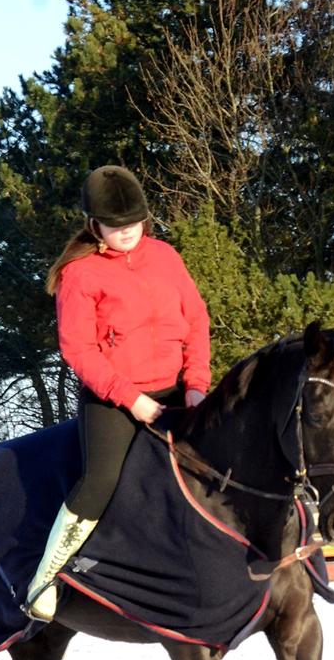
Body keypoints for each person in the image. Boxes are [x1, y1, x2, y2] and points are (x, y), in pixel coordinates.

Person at [24, 165, 212, 620]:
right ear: (95, 225)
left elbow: (196, 320)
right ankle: (46, 578)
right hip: (111, 398)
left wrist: (196, 386)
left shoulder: (166, 256)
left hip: (176, 391)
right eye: (116, 225)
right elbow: (79, 350)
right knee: (101, 481)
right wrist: (132, 399)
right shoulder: (80, 274)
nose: (127, 232)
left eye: (134, 223)